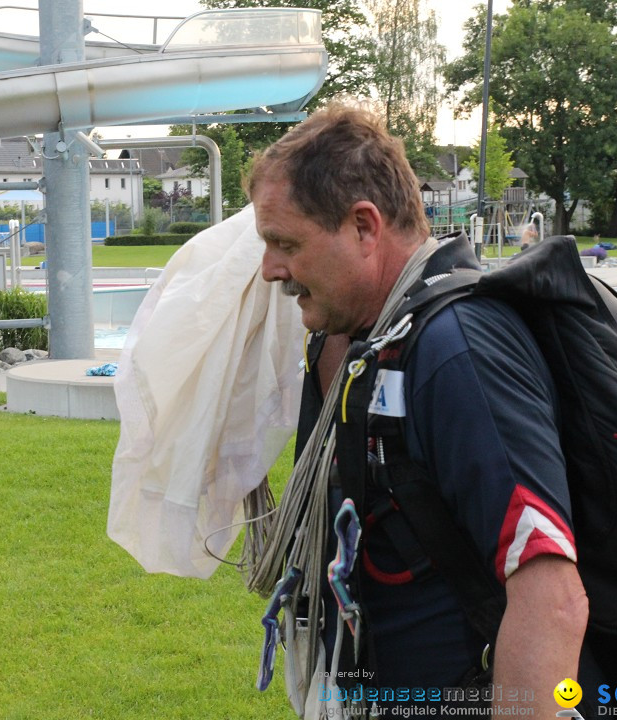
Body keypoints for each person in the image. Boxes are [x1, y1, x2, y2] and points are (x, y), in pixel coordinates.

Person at [250, 105, 586, 717]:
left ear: (364, 227)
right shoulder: (368, 336)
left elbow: (551, 600)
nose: (271, 268)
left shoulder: (454, 349)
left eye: (285, 243)